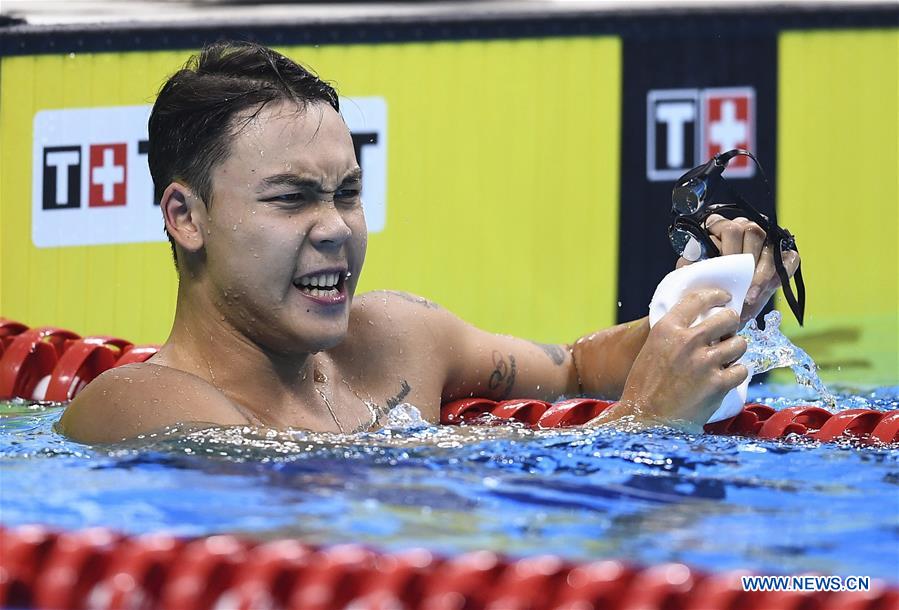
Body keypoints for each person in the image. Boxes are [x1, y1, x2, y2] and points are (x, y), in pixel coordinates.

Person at [59, 42, 799, 443]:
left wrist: (701, 307)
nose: (334, 228)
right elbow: (318, 498)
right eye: (291, 199)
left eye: (347, 193)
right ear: (185, 218)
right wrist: (643, 423)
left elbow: (575, 370)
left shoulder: (394, 337)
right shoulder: (136, 407)